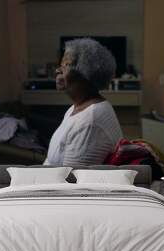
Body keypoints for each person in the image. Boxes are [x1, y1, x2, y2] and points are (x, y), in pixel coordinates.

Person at [44, 38, 123, 166]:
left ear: (87, 73)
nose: (58, 70)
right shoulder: (75, 108)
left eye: (66, 65)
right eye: (61, 64)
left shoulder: (90, 121)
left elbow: (71, 181)